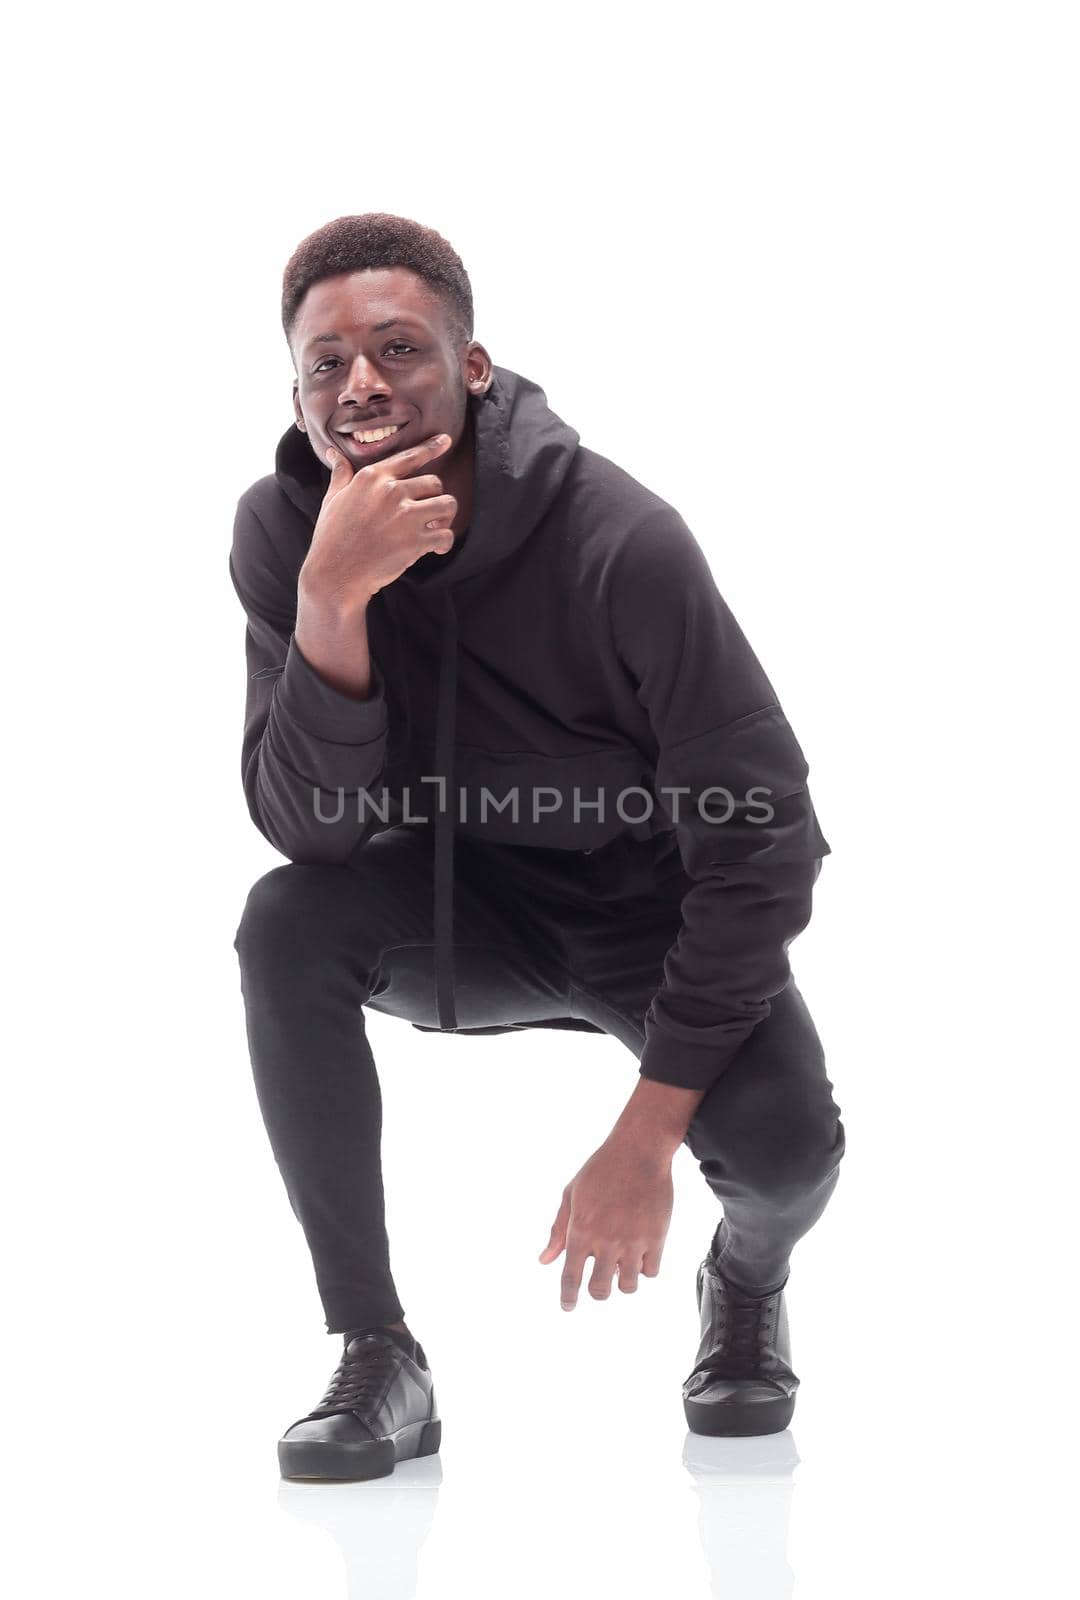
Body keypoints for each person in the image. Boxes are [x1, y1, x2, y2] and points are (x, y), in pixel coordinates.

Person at [229, 212, 846, 1483]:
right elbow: (308, 828)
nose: (359, 384)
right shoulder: (287, 535)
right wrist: (331, 603)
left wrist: (646, 1134)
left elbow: (768, 841)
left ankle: (744, 1286)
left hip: (653, 909)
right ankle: (376, 1348)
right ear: (297, 395)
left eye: (397, 347)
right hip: (457, 907)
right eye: (324, 364)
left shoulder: (620, 539)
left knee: (791, 1152)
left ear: (472, 366)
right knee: (285, 918)